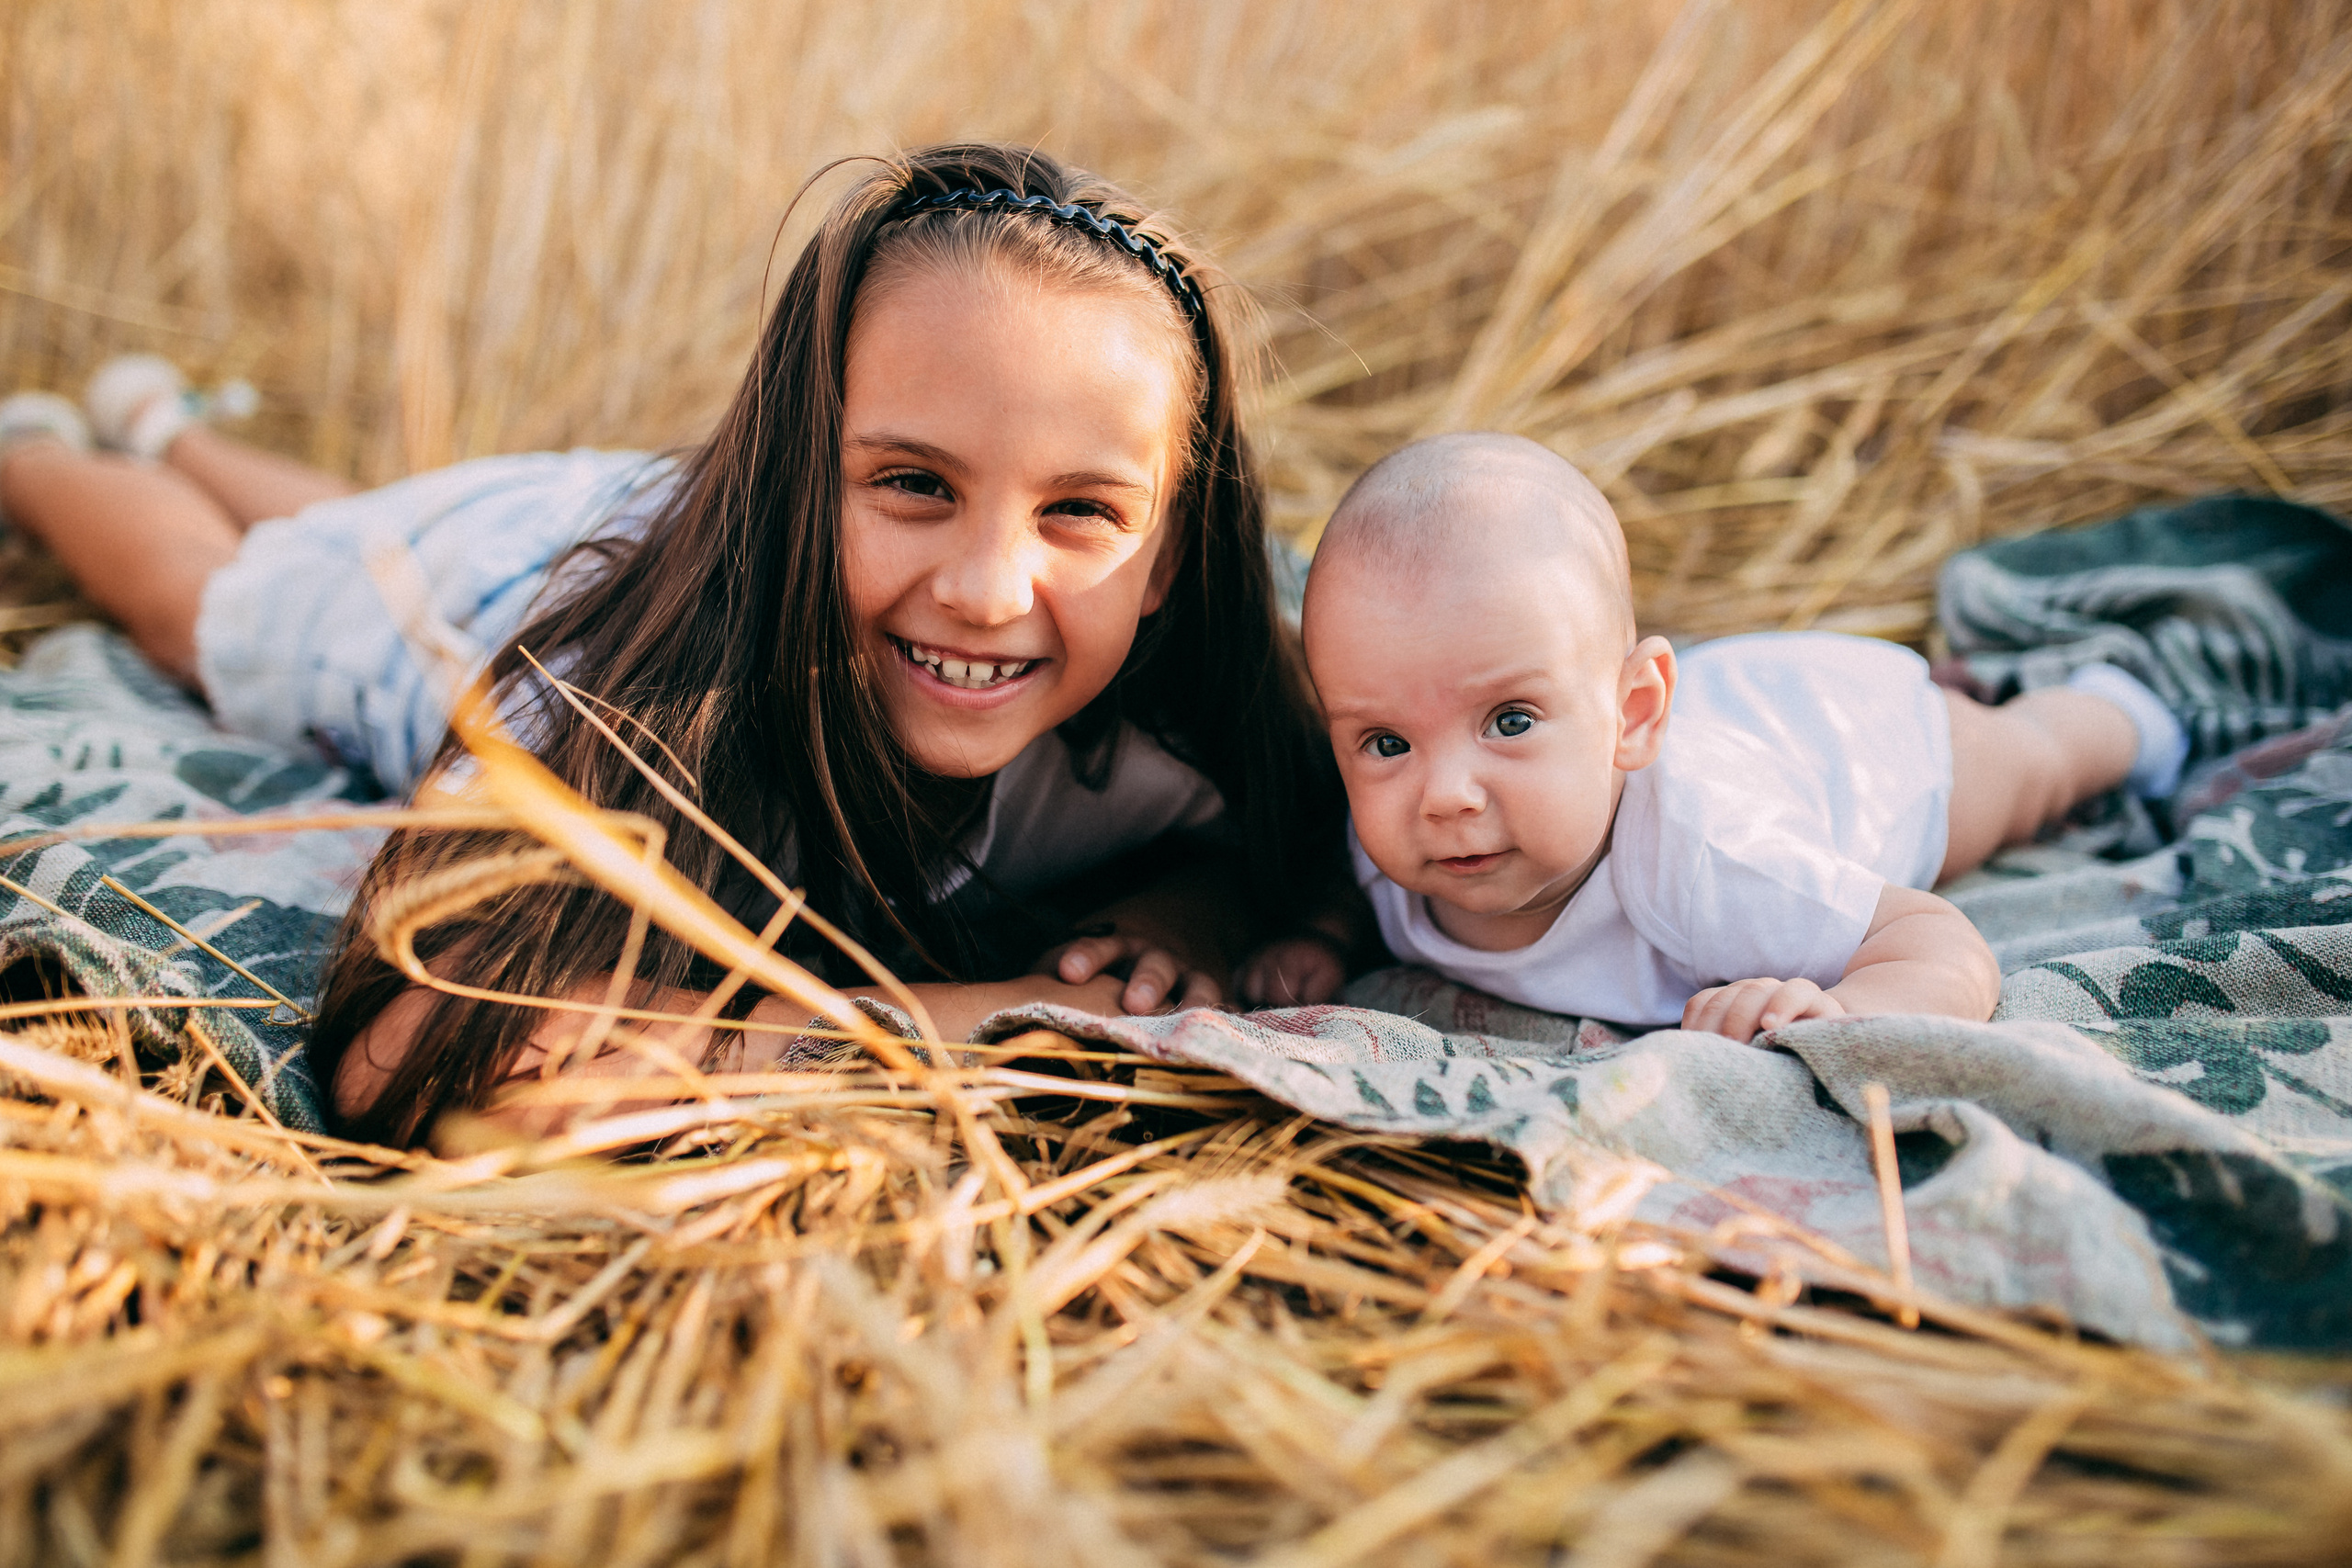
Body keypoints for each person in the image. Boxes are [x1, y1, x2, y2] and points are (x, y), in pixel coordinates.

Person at [0, 144, 1346, 1143]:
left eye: (1081, 511)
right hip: (503, 587)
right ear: (793, 475)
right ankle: (48, 447)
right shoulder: (628, 704)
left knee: (358, 521)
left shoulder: (1199, 721)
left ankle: (170, 424)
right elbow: (402, 1052)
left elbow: (1273, 848)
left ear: (1168, 550)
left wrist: (1193, 913)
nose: (993, 589)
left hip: (612, 507)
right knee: (222, 604)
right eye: (914, 484)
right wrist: (987, 1007)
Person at [1278, 431, 2188, 1041]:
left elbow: (1943, 947)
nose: (1444, 793)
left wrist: (1833, 1007)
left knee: (2033, 764)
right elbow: (1354, 890)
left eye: (1509, 722)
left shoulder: (1711, 864)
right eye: (1385, 743)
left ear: (1633, 718)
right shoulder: (1396, 837)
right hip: (1736, 702)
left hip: (1867, 744)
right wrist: (1319, 931)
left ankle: (2124, 710)